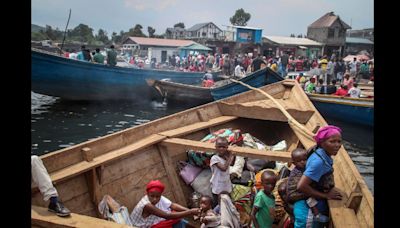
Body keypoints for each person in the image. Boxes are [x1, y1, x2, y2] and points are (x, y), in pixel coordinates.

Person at [294, 126, 343, 227]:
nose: (337, 145)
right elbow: (301, 186)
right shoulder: (319, 162)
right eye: (332, 141)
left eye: (339, 141)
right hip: (307, 212)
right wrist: (326, 196)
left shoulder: (320, 151)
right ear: (322, 143)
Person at [130, 180, 200, 227]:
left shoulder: (158, 196)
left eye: (158, 196)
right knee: (175, 218)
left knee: (178, 219)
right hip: (141, 226)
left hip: (153, 221)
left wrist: (188, 210)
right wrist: (190, 212)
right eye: (152, 196)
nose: (155, 199)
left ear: (160, 195)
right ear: (147, 194)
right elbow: (167, 216)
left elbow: (172, 205)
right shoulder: (147, 205)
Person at [287, 149, 329, 223]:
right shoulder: (297, 172)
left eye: (305, 159)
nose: (303, 162)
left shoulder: (305, 168)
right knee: (309, 196)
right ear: (294, 163)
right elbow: (301, 187)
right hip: (294, 193)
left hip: (299, 190)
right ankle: (317, 214)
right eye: (299, 161)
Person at [210, 137, 234, 206]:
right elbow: (224, 168)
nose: (221, 149)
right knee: (219, 205)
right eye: (219, 147)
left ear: (227, 147)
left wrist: (230, 156)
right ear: (215, 147)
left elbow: (231, 164)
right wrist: (230, 156)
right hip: (218, 186)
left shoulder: (226, 157)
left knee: (228, 203)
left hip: (226, 184)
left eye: (223, 147)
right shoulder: (214, 158)